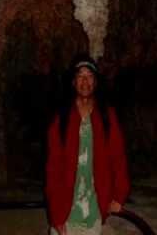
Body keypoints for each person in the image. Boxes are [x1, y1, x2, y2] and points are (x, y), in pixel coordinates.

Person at [45, 56, 130, 235]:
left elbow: (118, 157)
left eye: (90, 76)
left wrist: (119, 195)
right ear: (73, 82)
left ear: (96, 82)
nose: (85, 81)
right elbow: (53, 169)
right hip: (65, 207)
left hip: (93, 208)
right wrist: (56, 215)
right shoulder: (62, 118)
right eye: (80, 76)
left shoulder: (107, 116)